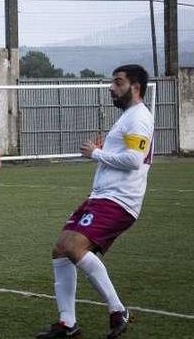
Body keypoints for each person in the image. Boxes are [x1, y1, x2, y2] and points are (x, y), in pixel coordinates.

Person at [35, 65, 154, 339]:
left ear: (135, 87)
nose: (112, 88)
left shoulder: (138, 117)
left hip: (119, 200)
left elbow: (134, 161)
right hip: (102, 196)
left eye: (118, 83)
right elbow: (126, 152)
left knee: (74, 247)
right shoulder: (128, 116)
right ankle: (67, 324)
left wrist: (98, 153)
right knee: (60, 250)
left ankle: (118, 310)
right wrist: (107, 150)